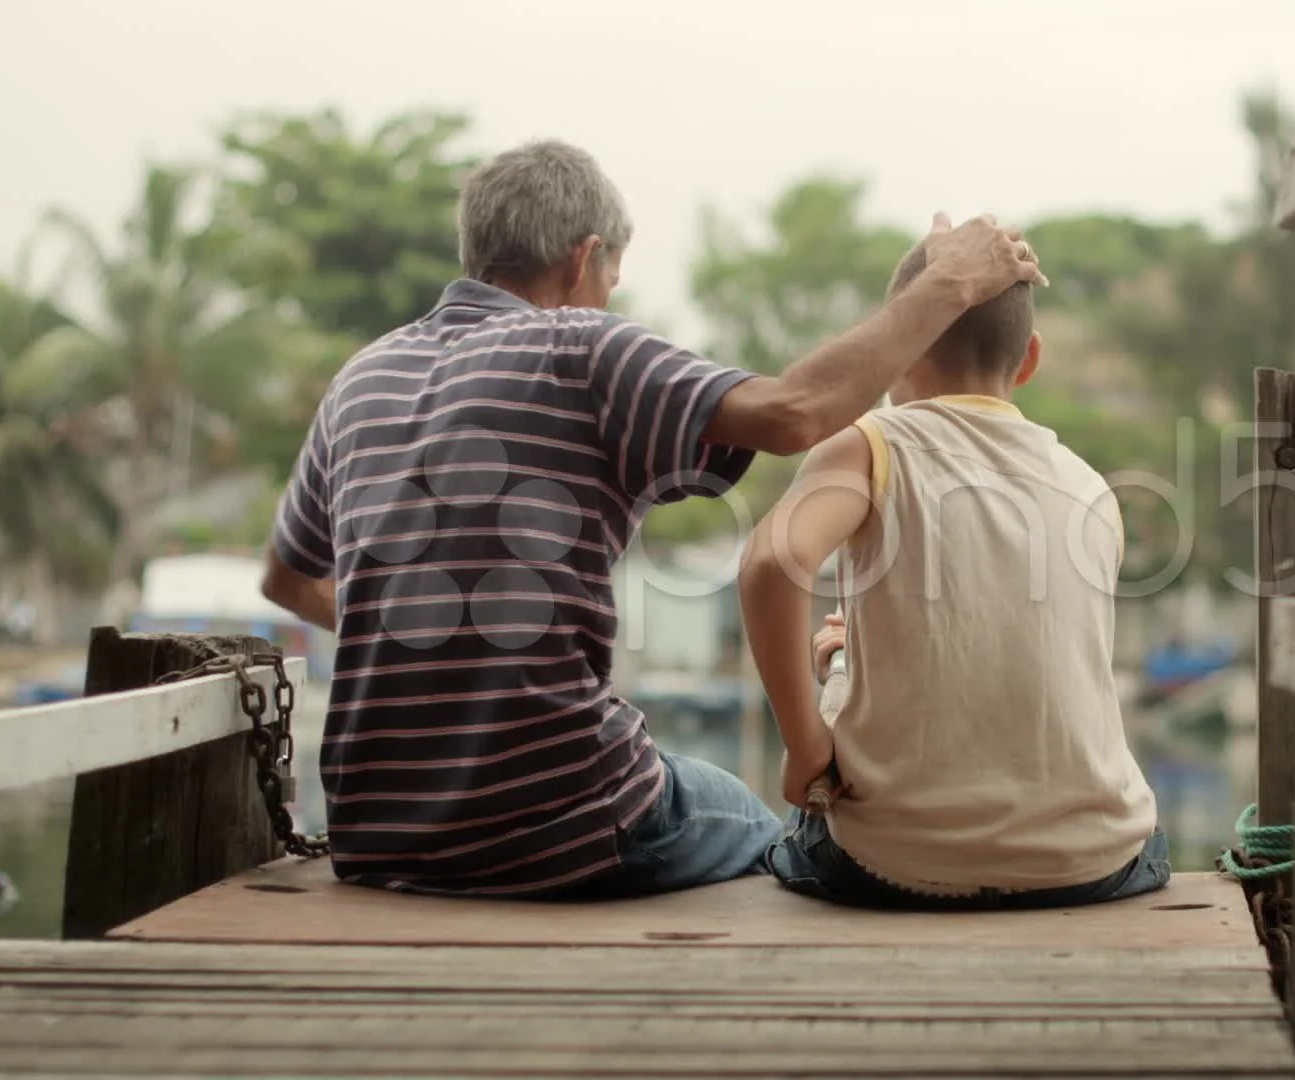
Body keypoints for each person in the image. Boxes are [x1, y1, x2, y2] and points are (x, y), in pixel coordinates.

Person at [257, 139, 1045, 900]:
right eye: (612, 277)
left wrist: (421, 627)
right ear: (582, 258)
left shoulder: (361, 378)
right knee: (755, 819)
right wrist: (947, 287)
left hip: (374, 835)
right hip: (560, 824)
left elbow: (288, 578)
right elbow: (795, 414)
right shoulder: (582, 346)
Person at [736, 238, 1168, 910]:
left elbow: (770, 563)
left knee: (762, 834)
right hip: (1096, 863)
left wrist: (803, 746)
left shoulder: (874, 445)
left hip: (891, 867)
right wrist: (850, 661)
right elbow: (1003, 660)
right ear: (1029, 361)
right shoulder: (1090, 490)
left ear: (895, 347)